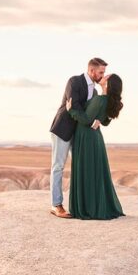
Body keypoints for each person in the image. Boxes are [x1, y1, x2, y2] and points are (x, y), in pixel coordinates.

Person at [48, 58, 107, 218]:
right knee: (58, 166)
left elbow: (95, 111)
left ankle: (80, 204)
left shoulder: (95, 92)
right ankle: (56, 205)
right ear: (92, 71)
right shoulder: (74, 82)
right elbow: (74, 108)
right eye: (101, 72)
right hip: (63, 129)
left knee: (80, 167)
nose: (102, 76)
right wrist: (91, 121)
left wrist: (97, 119)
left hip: (79, 133)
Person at [65, 73, 124, 220]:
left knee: (87, 170)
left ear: (108, 84)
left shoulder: (100, 99)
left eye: (106, 77)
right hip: (95, 137)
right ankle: (97, 205)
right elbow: (106, 122)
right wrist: (98, 119)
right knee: (95, 171)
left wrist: (71, 110)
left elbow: (86, 119)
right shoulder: (107, 100)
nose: (102, 77)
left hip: (86, 137)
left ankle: (88, 208)